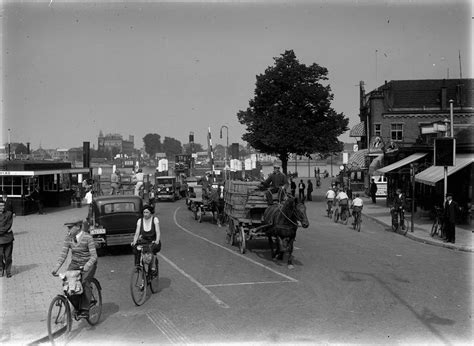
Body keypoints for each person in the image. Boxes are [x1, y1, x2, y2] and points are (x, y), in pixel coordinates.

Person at [52, 218, 97, 319]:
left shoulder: (88, 237)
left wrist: (87, 266)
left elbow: (94, 256)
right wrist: (56, 268)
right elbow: (63, 254)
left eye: (70, 228)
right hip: (75, 264)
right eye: (68, 228)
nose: (68, 230)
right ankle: (77, 307)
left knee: (85, 283)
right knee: (68, 284)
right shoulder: (69, 238)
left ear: (78, 227)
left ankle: (85, 309)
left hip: (88, 263)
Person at [131, 204, 161, 272]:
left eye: (147, 212)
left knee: (153, 250)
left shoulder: (155, 219)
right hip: (144, 241)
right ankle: (137, 265)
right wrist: (134, 241)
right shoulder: (140, 221)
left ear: (150, 213)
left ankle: (153, 268)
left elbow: (158, 232)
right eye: (144, 212)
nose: (145, 214)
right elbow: (137, 233)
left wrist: (157, 240)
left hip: (152, 241)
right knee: (136, 249)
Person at [0, 201, 14, 278]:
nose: (1, 207)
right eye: (0, 206)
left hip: (8, 238)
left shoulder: (9, 214)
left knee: (8, 256)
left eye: (3, 206)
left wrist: (2, 230)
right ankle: (1, 269)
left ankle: (8, 271)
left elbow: (8, 225)